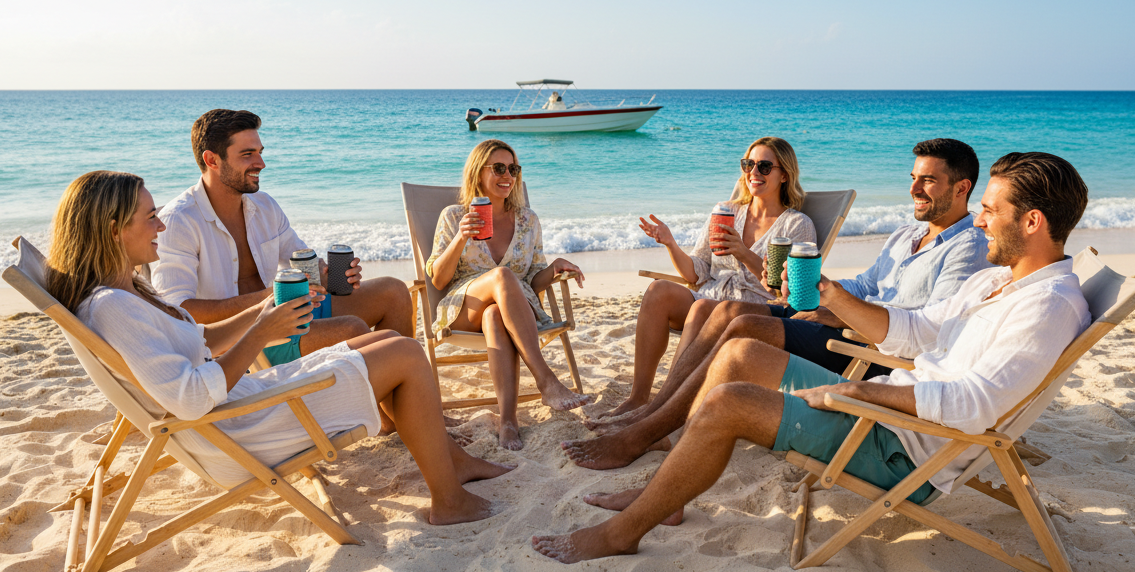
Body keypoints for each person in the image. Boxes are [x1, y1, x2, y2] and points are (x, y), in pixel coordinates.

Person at [532, 152, 1091, 562]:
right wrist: (831, 296)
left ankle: (622, 534)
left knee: (728, 401)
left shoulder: (1046, 306)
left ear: (1032, 221)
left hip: (901, 445)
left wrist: (858, 390)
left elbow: (972, 405)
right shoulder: (998, 281)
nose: (981, 219)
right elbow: (918, 329)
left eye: (990, 210)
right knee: (740, 352)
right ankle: (664, 486)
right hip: (888, 405)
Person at [47, 171, 511, 524]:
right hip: (242, 429)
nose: (160, 226)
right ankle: (449, 501)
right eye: (150, 217)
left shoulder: (128, 292)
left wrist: (266, 312)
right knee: (405, 354)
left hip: (243, 407)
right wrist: (261, 333)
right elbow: (190, 398)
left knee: (389, 339)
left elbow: (202, 340)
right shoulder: (113, 307)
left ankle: (452, 463)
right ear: (114, 230)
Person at [568, 138, 990, 470]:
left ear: (962, 188)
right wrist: (824, 291)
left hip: (869, 348)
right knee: (724, 312)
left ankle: (643, 431)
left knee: (740, 325)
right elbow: (863, 284)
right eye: (913, 178)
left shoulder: (968, 246)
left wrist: (837, 309)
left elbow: (929, 329)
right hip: (837, 320)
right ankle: (653, 414)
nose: (913, 188)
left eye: (927, 181)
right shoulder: (905, 235)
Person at [151, 109, 414, 368]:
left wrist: (330, 275)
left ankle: (403, 390)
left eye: (260, 152)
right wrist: (270, 298)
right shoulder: (178, 221)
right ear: (212, 160)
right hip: (240, 343)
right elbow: (177, 310)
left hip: (285, 314)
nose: (261, 163)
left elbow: (300, 261)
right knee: (351, 329)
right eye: (247, 154)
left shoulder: (264, 206)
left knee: (394, 292)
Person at [610, 137, 816, 417]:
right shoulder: (726, 212)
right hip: (709, 296)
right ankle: (638, 398)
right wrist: (670, 243)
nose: (754, 173)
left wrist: (743, 253)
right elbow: (696, 272)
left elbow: (785, 292)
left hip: (754, 310)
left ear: (784, 175)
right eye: (749, 164)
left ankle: (663, 409)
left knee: (702, 308)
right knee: (659, 291)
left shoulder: (797, 225)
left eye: (765, 167)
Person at [426, 139, 592, 449]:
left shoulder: (528, 220)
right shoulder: (454, 216)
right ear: (478, 172)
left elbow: (533, 280)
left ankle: (508, 422)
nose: (508, 176)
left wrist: (554, 267)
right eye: (499, 168)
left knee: (495, 314)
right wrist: (461, 236)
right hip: (464, 307)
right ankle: (546, 380)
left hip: (513, 308)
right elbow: (437, 280)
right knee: (501, 276)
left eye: (513, 169)